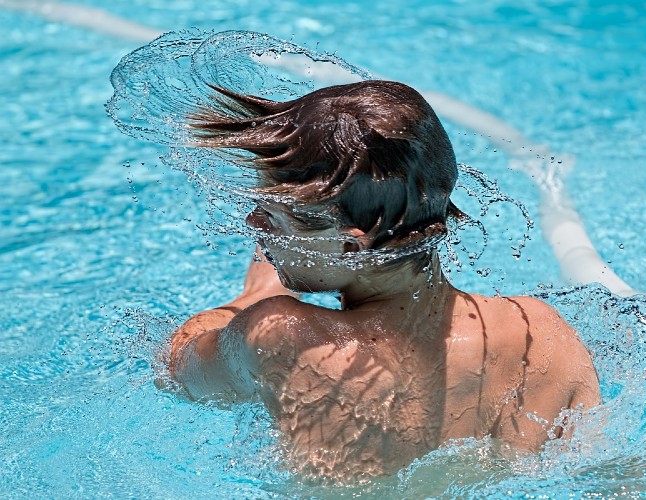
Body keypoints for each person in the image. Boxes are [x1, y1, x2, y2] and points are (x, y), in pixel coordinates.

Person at [169, 80, 601, 481]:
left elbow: (178, 366)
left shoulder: (284, 336)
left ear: (351, 248)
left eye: (273, 216)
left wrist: (258, 295)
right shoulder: (542, 333)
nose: (254, 224)